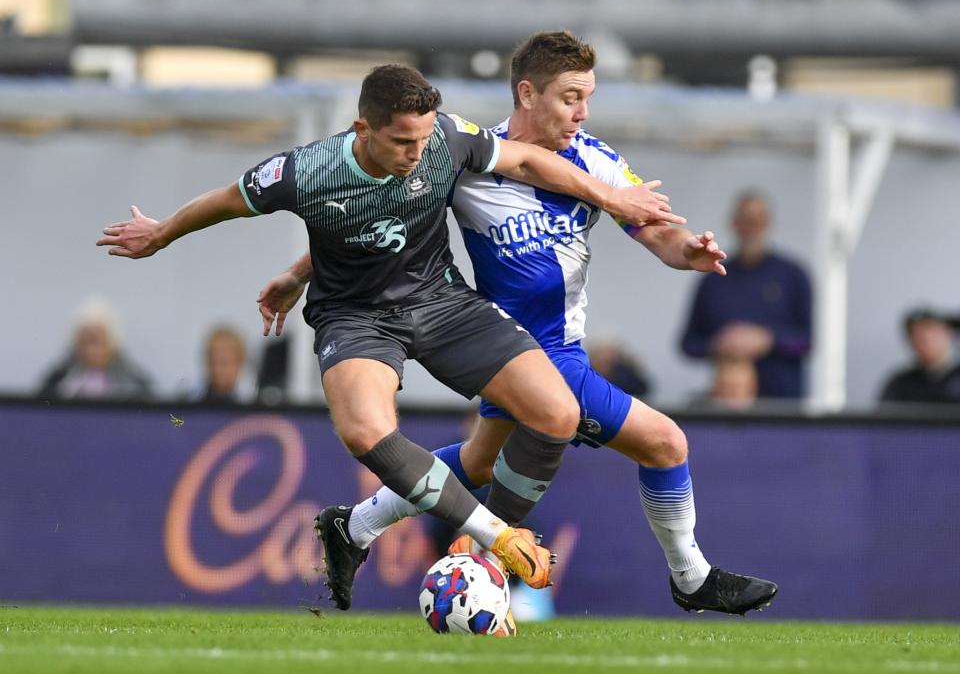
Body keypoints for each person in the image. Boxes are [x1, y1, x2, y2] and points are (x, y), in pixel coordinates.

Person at [96, 64, 681, 611]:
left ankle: (393, 538)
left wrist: (610, 196)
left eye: (424, 140)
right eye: (403, 142)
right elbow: (229, 199)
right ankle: (496, 544)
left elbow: (526, 162)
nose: (417, 154)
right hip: (355, 317)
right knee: (366, 431)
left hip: (441, 301)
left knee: (556, 412)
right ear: (363, 129)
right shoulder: (306, 170)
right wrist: (162, 234)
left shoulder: (446, 139)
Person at [258, 33, 777, 621]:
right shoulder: (466, 156)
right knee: (665, 444)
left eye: (588, 98)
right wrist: (301, 273)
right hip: (520, 349)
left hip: (535, 353)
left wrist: (690, 249)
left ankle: (354, 528)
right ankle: (689, 577)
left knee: (478, 464)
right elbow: (381, 219)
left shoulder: (595, 160)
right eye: (570, 98)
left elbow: (655, 231)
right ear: (527, 93)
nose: (582, 113)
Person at [681, 191, 812, 399]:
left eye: (758, 221)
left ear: (769, 224)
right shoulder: (714, 278)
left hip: (782, 405)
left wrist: (768, 340)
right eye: (746, 221)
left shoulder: (792, 276)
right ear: (734, 223)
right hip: (728, 402)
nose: (752, 229)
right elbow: (689, 343)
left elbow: (809, 340)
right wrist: (719, 343)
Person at [38, 298, 152, 401]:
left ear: (112, 344)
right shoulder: (57, 380)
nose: (91, 351)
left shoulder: (133, 382)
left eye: (97, 342)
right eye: (86, 342)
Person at [879, 308, 960, 403]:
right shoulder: (900, 384)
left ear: (948, 333)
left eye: (930, 330)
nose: (926, 339)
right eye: (917, 335)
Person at [187, 324, 257, 404]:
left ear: (239, 363)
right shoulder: (189, 402)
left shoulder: (252, 404)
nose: (216, 369)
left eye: (224, 363)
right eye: (212, 362)